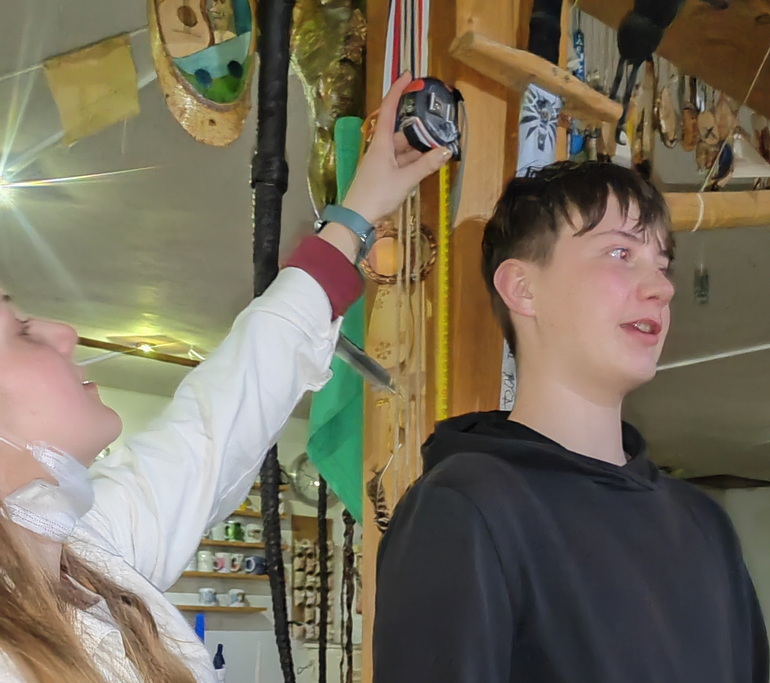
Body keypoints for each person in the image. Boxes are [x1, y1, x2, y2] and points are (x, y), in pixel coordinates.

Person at [0, 72, 448, 683]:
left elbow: (223, 411)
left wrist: (357, 212)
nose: (63, 332)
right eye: (21, 332)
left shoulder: (85, 549)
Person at [373, 161, 769, 682]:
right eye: (621, 253)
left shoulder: (705, 525)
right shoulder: (467, 505)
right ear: (522, 288)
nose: (662, 288)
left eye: (662, 263)